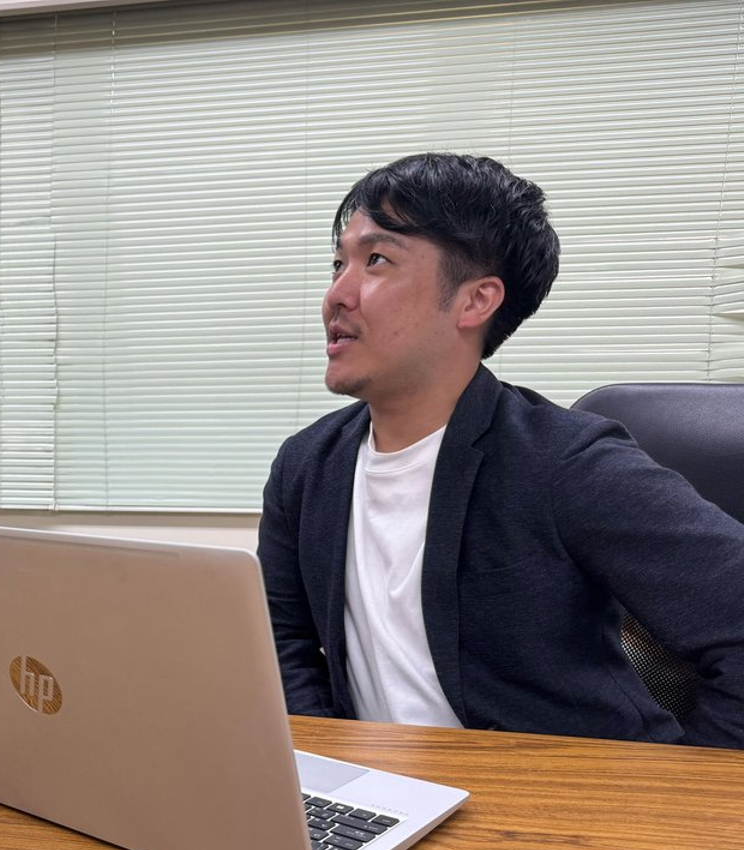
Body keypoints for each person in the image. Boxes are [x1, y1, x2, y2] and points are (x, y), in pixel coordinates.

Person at [258, 151, 744, 748]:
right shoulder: (305, 466)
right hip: (377, 787)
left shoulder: (566, 464)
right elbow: (283, 644)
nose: (337, 294)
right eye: (339, 264)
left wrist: (682, 786)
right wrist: (326, 762)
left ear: (476, 301)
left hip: (554, 793)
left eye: (376, 260)